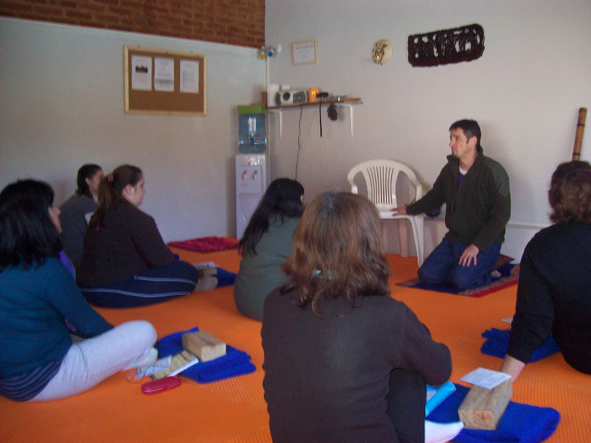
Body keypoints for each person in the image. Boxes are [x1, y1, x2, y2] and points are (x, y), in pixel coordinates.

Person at [262, 191, 461, 443]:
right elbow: (440, 370)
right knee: (409, 358)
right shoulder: (387, 315)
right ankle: (420, 434)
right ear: (368, 243)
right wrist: (418, 334)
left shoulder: (274, 302)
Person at [0, 179, 157, 402]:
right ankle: (130, 360)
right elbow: (89, 324)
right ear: (35, 218)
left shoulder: (7, 263)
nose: (58, 211)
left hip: (7, 381)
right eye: (51, 207)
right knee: (144, 331)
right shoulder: (47, 269)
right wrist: (121, 344)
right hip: (44, 378)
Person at [392, 119, 511, 290]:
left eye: (457, 138)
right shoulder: (449, 170)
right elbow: (435, 196)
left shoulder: (494, 172)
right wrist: (409, 209)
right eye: (451, 138)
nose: (451, 143)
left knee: (462, 281)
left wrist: (477, 245)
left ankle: (489, 266)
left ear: (473, 141)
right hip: (454, 240)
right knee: (426, 275)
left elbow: (501, 216)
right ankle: (463, 270)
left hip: (484, 243)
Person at [501, 161, 591, 380]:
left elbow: (531, 322)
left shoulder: (542, 246)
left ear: (554, 199)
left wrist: (501, 381)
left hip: (582, 356)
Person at [77, 165, 199, 308]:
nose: (144, 190)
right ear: (129, 189)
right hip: (108, 290)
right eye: (141, 186)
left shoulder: (99, 214)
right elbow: (164, 260)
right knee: (188, 272)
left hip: (84, 286)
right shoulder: (135, 217)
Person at [234, 178, 304, 321]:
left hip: (243, 302)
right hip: (275, 309)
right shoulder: (300, 226)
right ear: (299, 199)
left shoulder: (258, 223)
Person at [59, 164, 104, 269]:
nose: (104, 182)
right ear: (88, 181)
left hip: (65, 258)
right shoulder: (88, 204)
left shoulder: (73, 200)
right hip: (80, 259)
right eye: (100, 178)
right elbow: (99, 234)